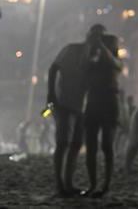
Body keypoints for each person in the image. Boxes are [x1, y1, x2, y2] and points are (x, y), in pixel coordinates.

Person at [46, 27, 93, 196]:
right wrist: (51, 94)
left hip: (81, 106)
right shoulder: (72, 49)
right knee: (63, 143)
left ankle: (68, 182)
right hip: (63, 102)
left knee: (76, 144)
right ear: (88, 37)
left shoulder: (95, 57)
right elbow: (53, 68)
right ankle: (60, 185)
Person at [83, 31, 123, 197]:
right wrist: (93, 46)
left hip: (109, 102)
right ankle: (93, 184)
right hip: (94, 102)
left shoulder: (116, 62)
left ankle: (105, 185)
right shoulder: (95, 61)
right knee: (91, 147)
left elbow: (113, 62)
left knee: (107, 146)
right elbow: (84, 65)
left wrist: (99, 45)